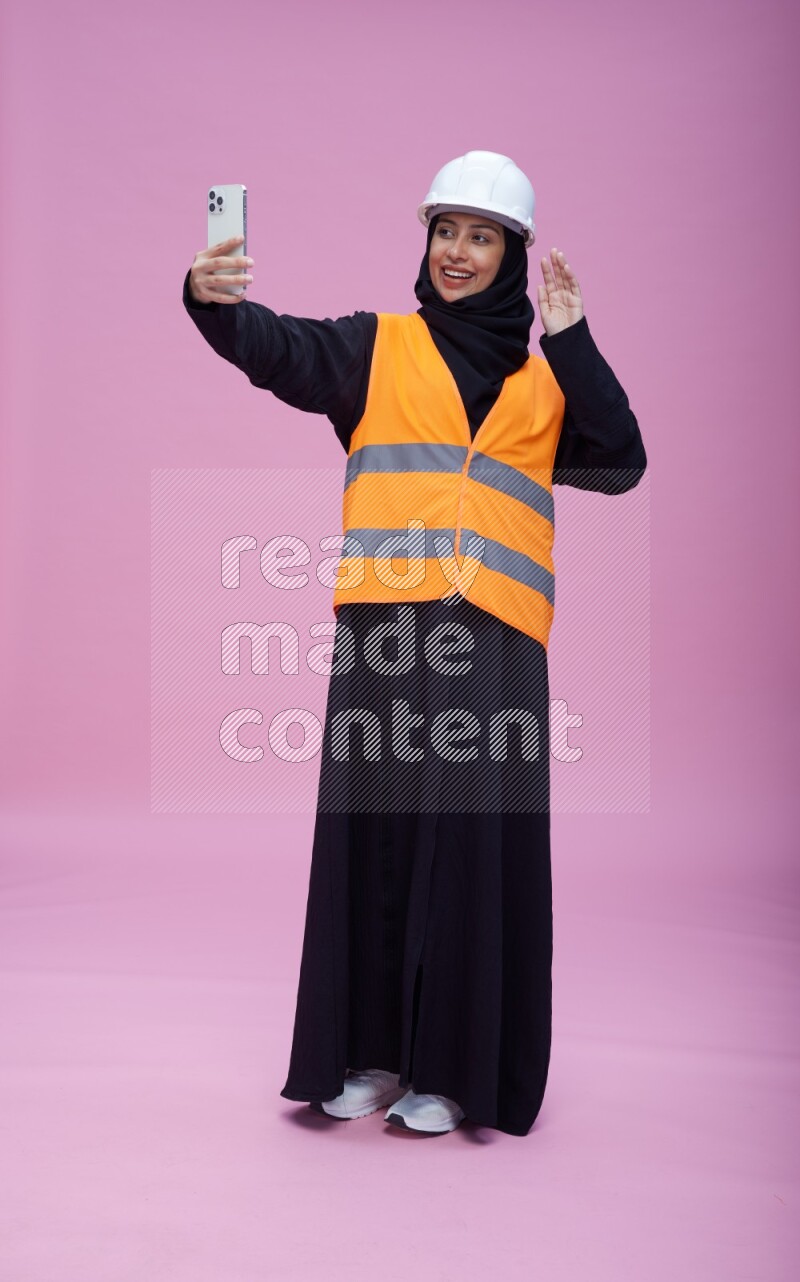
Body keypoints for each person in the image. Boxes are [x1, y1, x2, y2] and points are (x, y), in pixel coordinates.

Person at [183, 150, 647, 1137]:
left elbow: (617, 459)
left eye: (481, 236)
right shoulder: (373, 348)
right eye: (445, 231)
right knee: (376, 839)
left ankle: (451, 1073)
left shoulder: (543, 382)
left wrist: (570, 342)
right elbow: (276, 347)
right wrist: (208, 302)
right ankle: (369, 1057)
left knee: (475, 849)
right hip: (385, 639)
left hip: (499, 646)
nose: (457, 252)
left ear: (511, 254)